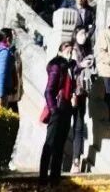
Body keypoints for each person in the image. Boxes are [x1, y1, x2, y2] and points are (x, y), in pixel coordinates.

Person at [39, 38, 76, 187]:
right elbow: (48, 91)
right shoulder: (56, 65)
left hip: (67, 108)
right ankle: (42, 179)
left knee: (60, 145)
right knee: (50, 143)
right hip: (58, 108)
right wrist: (54, 110)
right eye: (67, 49)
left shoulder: (70, 66)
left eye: (71, 50)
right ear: (60, 50)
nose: (70, 52)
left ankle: (55, 179)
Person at [70, 27, 96, 173]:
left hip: (83, 91)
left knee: (79, 127)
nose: (83, 36)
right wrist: (80, 65)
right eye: (80, 33)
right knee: (66, 127)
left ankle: (76, 161)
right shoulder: (72, 50)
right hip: (71, 93)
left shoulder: (86, 49)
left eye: (84, 33)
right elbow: (69, 69)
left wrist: (90, 62)